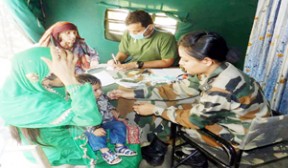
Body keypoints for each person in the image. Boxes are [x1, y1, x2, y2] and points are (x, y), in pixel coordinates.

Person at [109, 31, 271, 166]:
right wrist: (130, 93)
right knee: (170, 103)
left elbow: (194, 120)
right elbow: (176, 89)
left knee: (173, 115)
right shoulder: (220, 67)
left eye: (186, 60)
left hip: (242, 140)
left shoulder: (221, 87)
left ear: (206, 61)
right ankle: (159, 150)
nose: (180, 63)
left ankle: (193, 157)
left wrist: (156, 110)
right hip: (247, 124)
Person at [0, 46, 102, 166]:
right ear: (44, 79)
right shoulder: (35, 106)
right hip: (58, 158)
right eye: (62, 72)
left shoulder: (19, 87)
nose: (73, 74)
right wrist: (69, 79)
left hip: (52, 146)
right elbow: (89, 118)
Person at [76, 74, 137, 165]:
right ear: (82, 92)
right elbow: (81, 121)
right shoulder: (80, 104)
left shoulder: (100, 96)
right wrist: (94, 129)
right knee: (93, 135)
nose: (100, 92)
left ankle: (119, 147)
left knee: (120, 125)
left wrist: (113, 110)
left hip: (106, 121)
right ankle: (105, 151)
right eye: (95, 90)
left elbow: (106, 104)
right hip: (91, 126)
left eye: (100, 88)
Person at [107, 10, 178, 70]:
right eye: (130, 31)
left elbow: (167, 62)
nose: (132, 34)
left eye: (137, 31)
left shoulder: (166, 37)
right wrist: (117, 60)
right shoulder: (128, 33)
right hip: (134, 69)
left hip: (157, 71)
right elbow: (124, 52)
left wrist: (136, 64)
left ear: (150, 27)